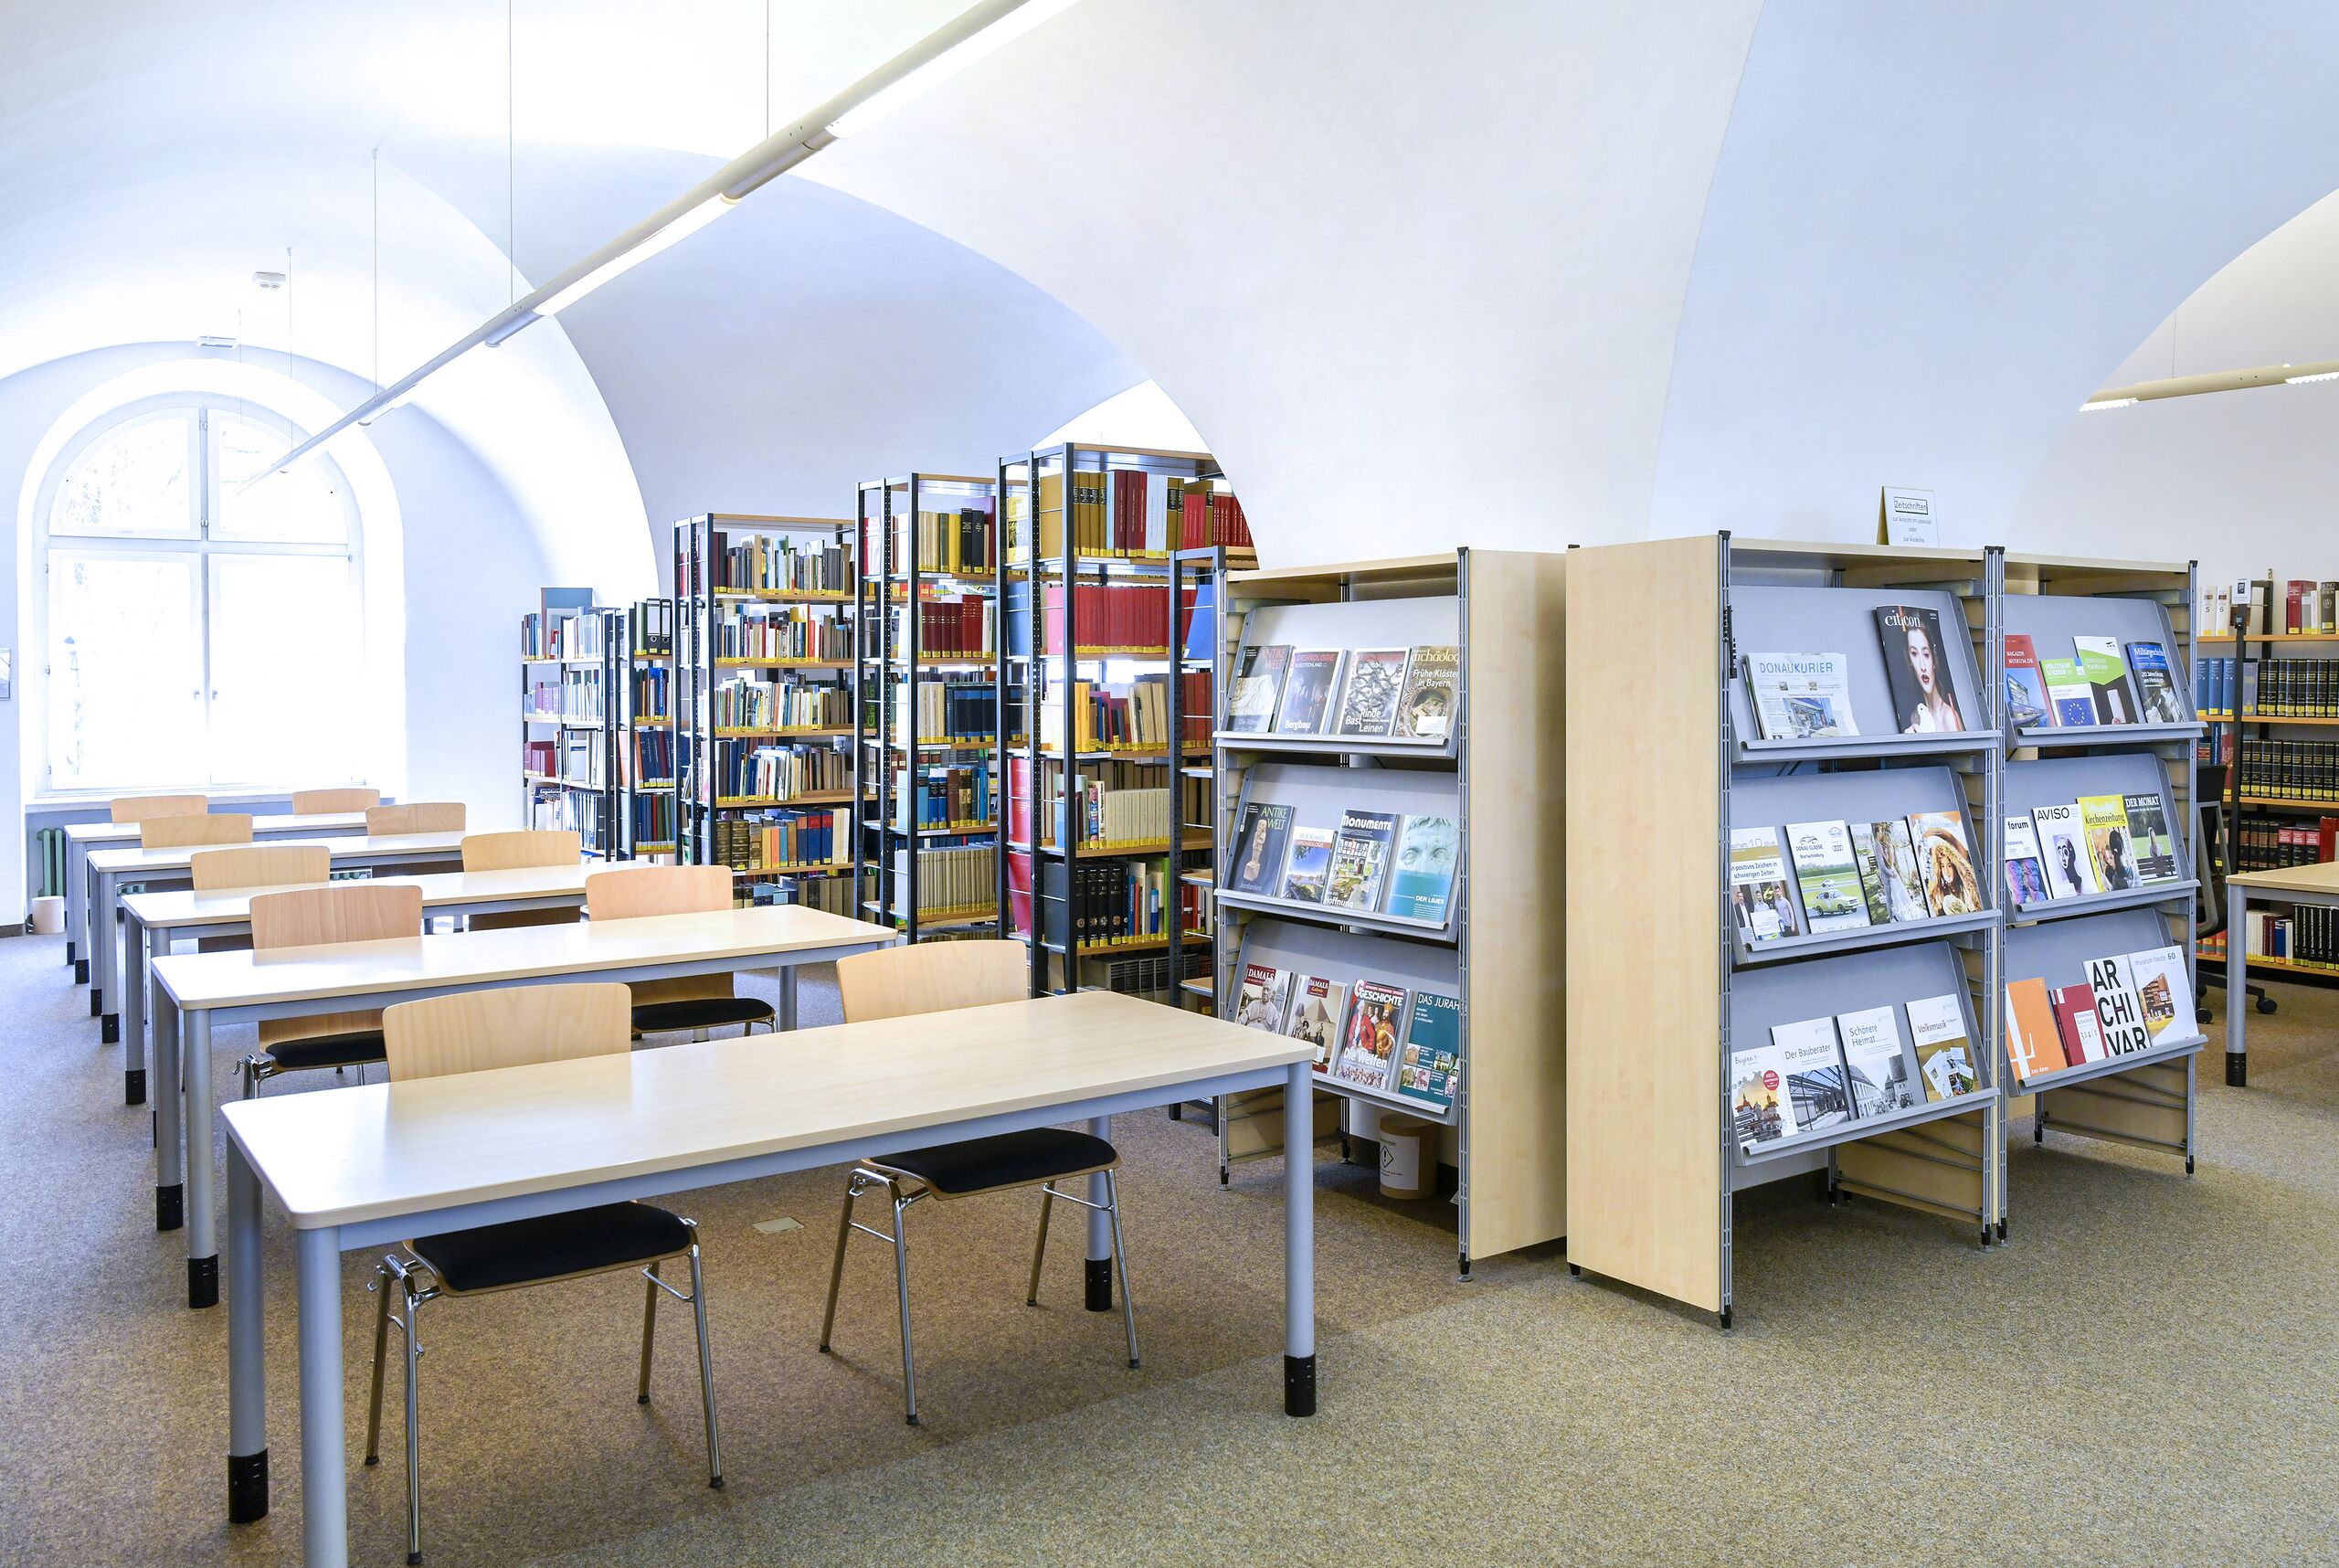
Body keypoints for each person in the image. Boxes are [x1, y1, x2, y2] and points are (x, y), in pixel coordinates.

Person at [1898, 620, 1965, 733]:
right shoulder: (1916, 717)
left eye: (1926, 654)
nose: (1922, 666)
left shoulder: (1949, 717)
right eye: (1914, 654)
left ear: (1934, 659)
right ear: (1910, 662)